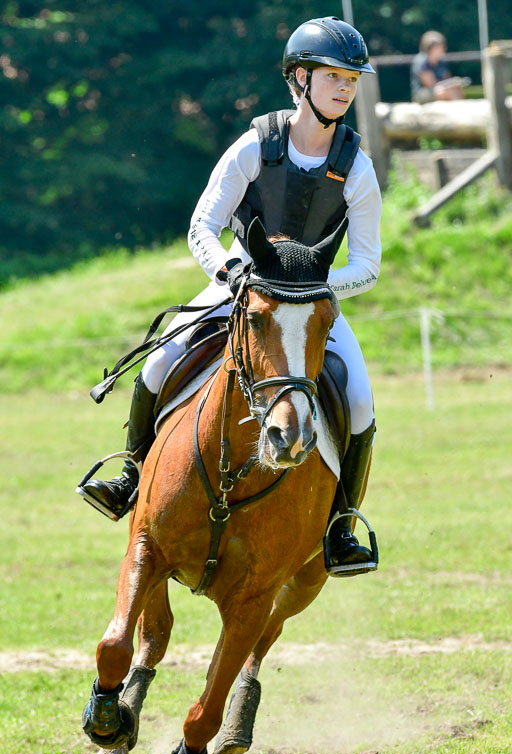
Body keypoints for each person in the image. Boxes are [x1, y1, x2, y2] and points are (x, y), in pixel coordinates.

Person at [79, 16, 382, 577]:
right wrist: (232, 272)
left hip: (311, 303)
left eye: (352, 78)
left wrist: (313, 290)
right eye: (334, 75)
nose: (345, 87)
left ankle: (341, 526)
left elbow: (368, 264)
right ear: (300, 78)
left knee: (359, 402)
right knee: (159, 364)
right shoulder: (255, 146)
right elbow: (203, 225)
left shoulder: (357, 167)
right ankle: (131, 474)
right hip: (240, 286)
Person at [411, 30, 465, 104]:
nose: (443, 50)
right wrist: (448, 85)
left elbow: (446, 78)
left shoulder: (441, 61)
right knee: (444, 92)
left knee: (456, 89)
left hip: (439, 89)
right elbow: (431, 85)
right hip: (422, 93)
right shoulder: (421, 61)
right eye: (439, 47)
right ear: (430, 48)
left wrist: (454, 83)